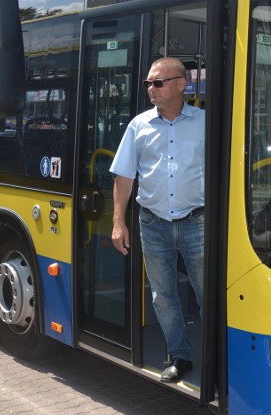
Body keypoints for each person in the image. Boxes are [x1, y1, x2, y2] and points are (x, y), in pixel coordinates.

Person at [110, 57, 205, 383]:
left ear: (181, 84)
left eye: (158, 82)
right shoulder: (138, 125)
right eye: (148, 83)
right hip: (152, 223)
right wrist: (118, 222)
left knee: (208, 293)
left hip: (197, 222)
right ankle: (180, 357)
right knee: (163, 295)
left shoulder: (206, 123)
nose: (151, 88)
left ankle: (220, 355)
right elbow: (124, 177)